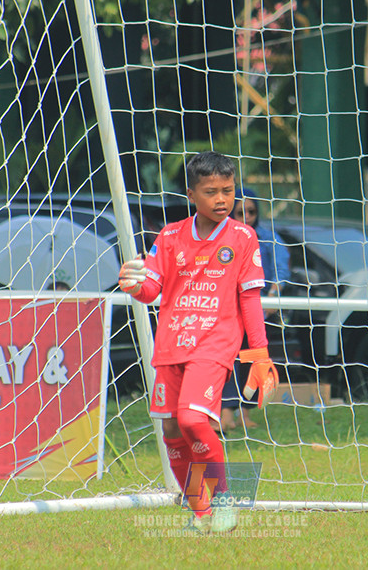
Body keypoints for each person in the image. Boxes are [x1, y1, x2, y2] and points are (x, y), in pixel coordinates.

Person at [117, 151, 275, 534]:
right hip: (172, 344)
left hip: (214, 344)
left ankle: (224, 501)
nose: (222, 200)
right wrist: (133, 283)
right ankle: (199, 511)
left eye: (228, 190)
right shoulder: (170, 236)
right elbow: (152, 288)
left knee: (192, 420)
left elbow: (250, 300)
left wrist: (259, 355)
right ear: (191, 194)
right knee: (171, 429)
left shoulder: (242, 236)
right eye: (211, 192)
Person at [220, 187, 291, 432]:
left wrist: (272, 298)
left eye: (251, 211)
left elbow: (281, 272)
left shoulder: (269, 238)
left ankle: (245, 412)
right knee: (228, 361)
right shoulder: (221, 238)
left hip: (258, 311)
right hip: (227, 312)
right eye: (240, 212)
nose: (246, 217)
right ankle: (225, 412)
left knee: (254, 361)